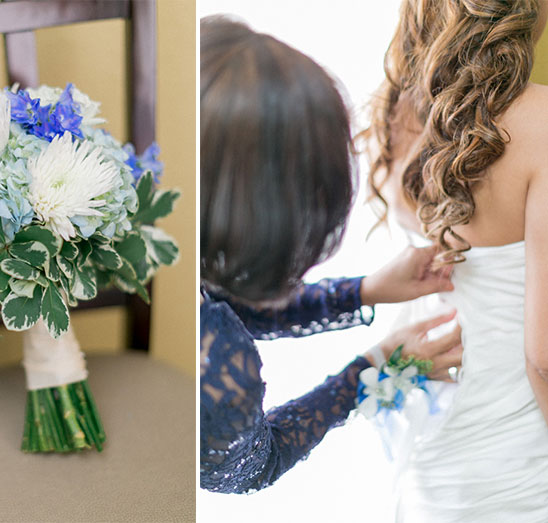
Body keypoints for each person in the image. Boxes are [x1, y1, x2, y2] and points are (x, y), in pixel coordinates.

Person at [200, 16, 462, 495]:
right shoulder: (216, 363)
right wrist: (370, 369)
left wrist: (365, 291)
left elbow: (223, 306)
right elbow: (254, 463)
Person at [363, 0, 548, 520]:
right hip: (521, 458)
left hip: (432, 458)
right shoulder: (543, 125)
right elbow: (544, 357)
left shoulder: (401, 110)